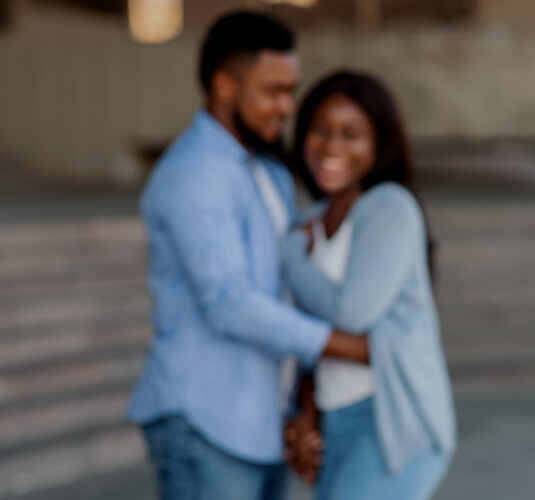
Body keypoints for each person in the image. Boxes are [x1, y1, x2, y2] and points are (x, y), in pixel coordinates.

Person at [128, 12, 365, 499]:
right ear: (224, 86)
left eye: (291, 90)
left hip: (260, 423)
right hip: (206, 423)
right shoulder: (195, 173)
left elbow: (282, 288)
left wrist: (302, 402)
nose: (287, 106)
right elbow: (229, 304)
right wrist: (353, 347)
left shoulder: (267, 171)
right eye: (272, 91)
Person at [279, 70, 456, 500]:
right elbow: (303, 338)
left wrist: (288, 258)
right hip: (331, 419)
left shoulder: (389, 207)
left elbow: (350, 314)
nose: (332, 146)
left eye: (351, 133)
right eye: (320, 130)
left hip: (389, 419)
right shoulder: (307, 224)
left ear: (379, 143)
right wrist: (306, 412)